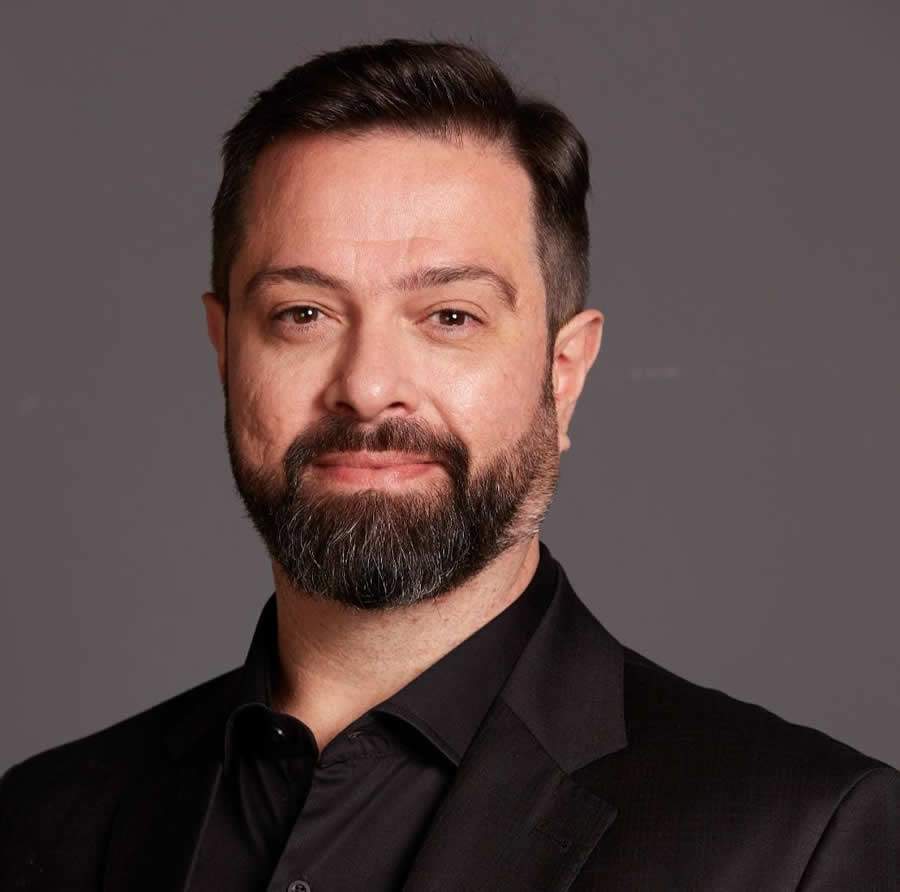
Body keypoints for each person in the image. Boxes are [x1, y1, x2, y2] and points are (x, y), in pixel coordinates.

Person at [1, 38, 896, 892]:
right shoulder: (41, 822)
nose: (368, 388)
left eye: (450, 317)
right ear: (225, 352)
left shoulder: (802, 843)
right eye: (303, 314)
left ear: (563, 373)